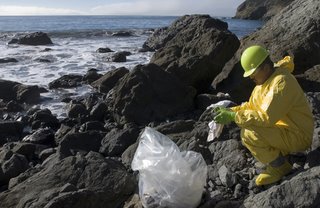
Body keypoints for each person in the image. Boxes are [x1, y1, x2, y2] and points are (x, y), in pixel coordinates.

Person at [213, 45, 314, 186]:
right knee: (251, 125)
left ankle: (280, 167)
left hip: (298, 135)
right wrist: (232, 111)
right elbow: (252, 106)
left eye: (253, 73)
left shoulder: (281, 83)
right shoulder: (264, 83)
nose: (251, 77)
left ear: (266, 67)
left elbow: (265, 116)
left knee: (249, 133)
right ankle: (282, 156)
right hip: (285, 130)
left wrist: (234, 117)